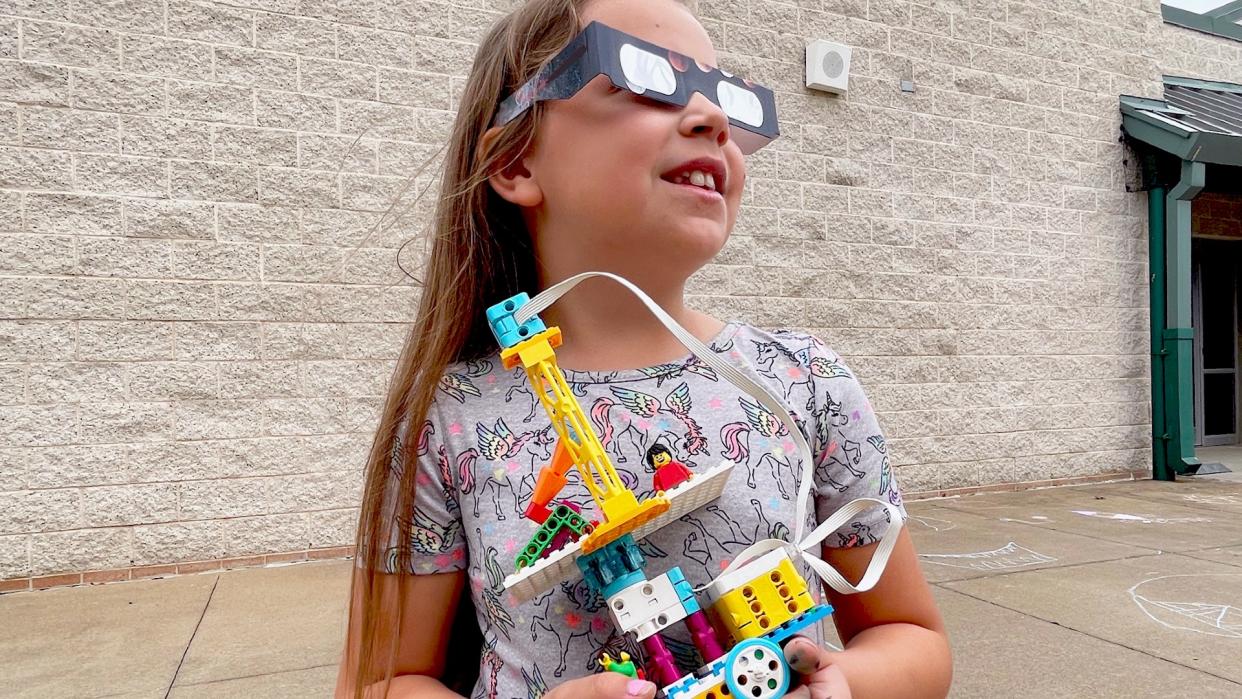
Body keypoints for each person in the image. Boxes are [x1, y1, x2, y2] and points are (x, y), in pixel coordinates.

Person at [336, 0, 953, 697]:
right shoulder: (447, 418)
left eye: (725, 97)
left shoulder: (807, 381)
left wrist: (846, 680)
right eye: (647, 80)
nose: (711, 119)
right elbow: (380, 680)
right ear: (515, 161)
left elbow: (913, 637)